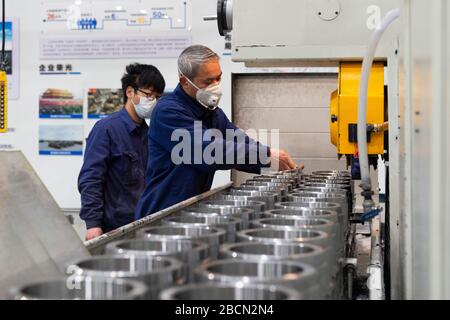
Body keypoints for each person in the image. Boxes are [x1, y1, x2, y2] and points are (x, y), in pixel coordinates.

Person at [135, 45, 298, 220]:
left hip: (190, 210)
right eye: (207, 82)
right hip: (162, 214)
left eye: (218, 79)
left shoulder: (211, 112)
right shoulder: (168, 112)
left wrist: (272, 161)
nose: (215, 86)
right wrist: (265, 156)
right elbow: (207, 150)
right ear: (184, 82)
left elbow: (238, 140)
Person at [78, 63, 165, 240]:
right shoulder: (106, 130)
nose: (153, 101)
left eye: (157, 97)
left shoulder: (149, 133)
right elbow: (91, 179)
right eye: (148, 95)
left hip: (143, 224)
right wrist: (93, 224)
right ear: (129, 92)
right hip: (113, 229)